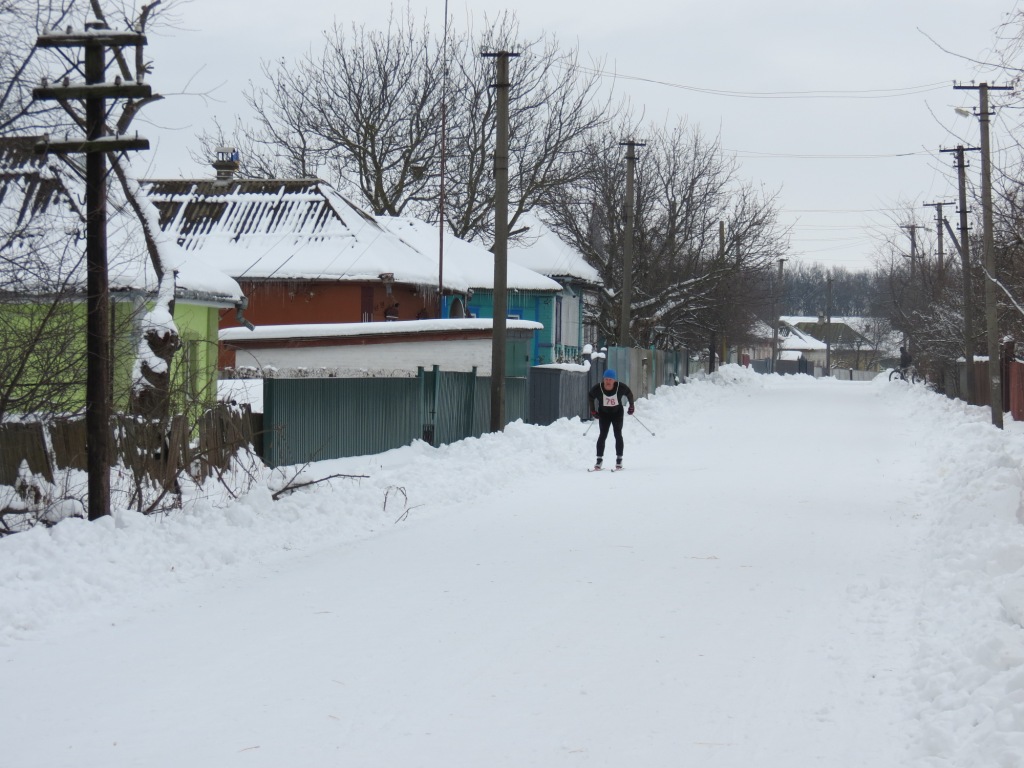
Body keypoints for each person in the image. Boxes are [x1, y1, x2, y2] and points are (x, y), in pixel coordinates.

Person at [587, 368, 635, 470]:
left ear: (614, 380)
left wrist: (631, 406)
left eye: (610, 379)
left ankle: (619, 459)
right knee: (602, 435)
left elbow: (629, 394)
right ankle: (599, 460)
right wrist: (593, 410)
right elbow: (590, 396)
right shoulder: (598, 388)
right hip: (604, 414)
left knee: (618, 434)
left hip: (617, 413)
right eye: (606, 379)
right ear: (603, 379)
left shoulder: (620, 387)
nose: (608, 381)